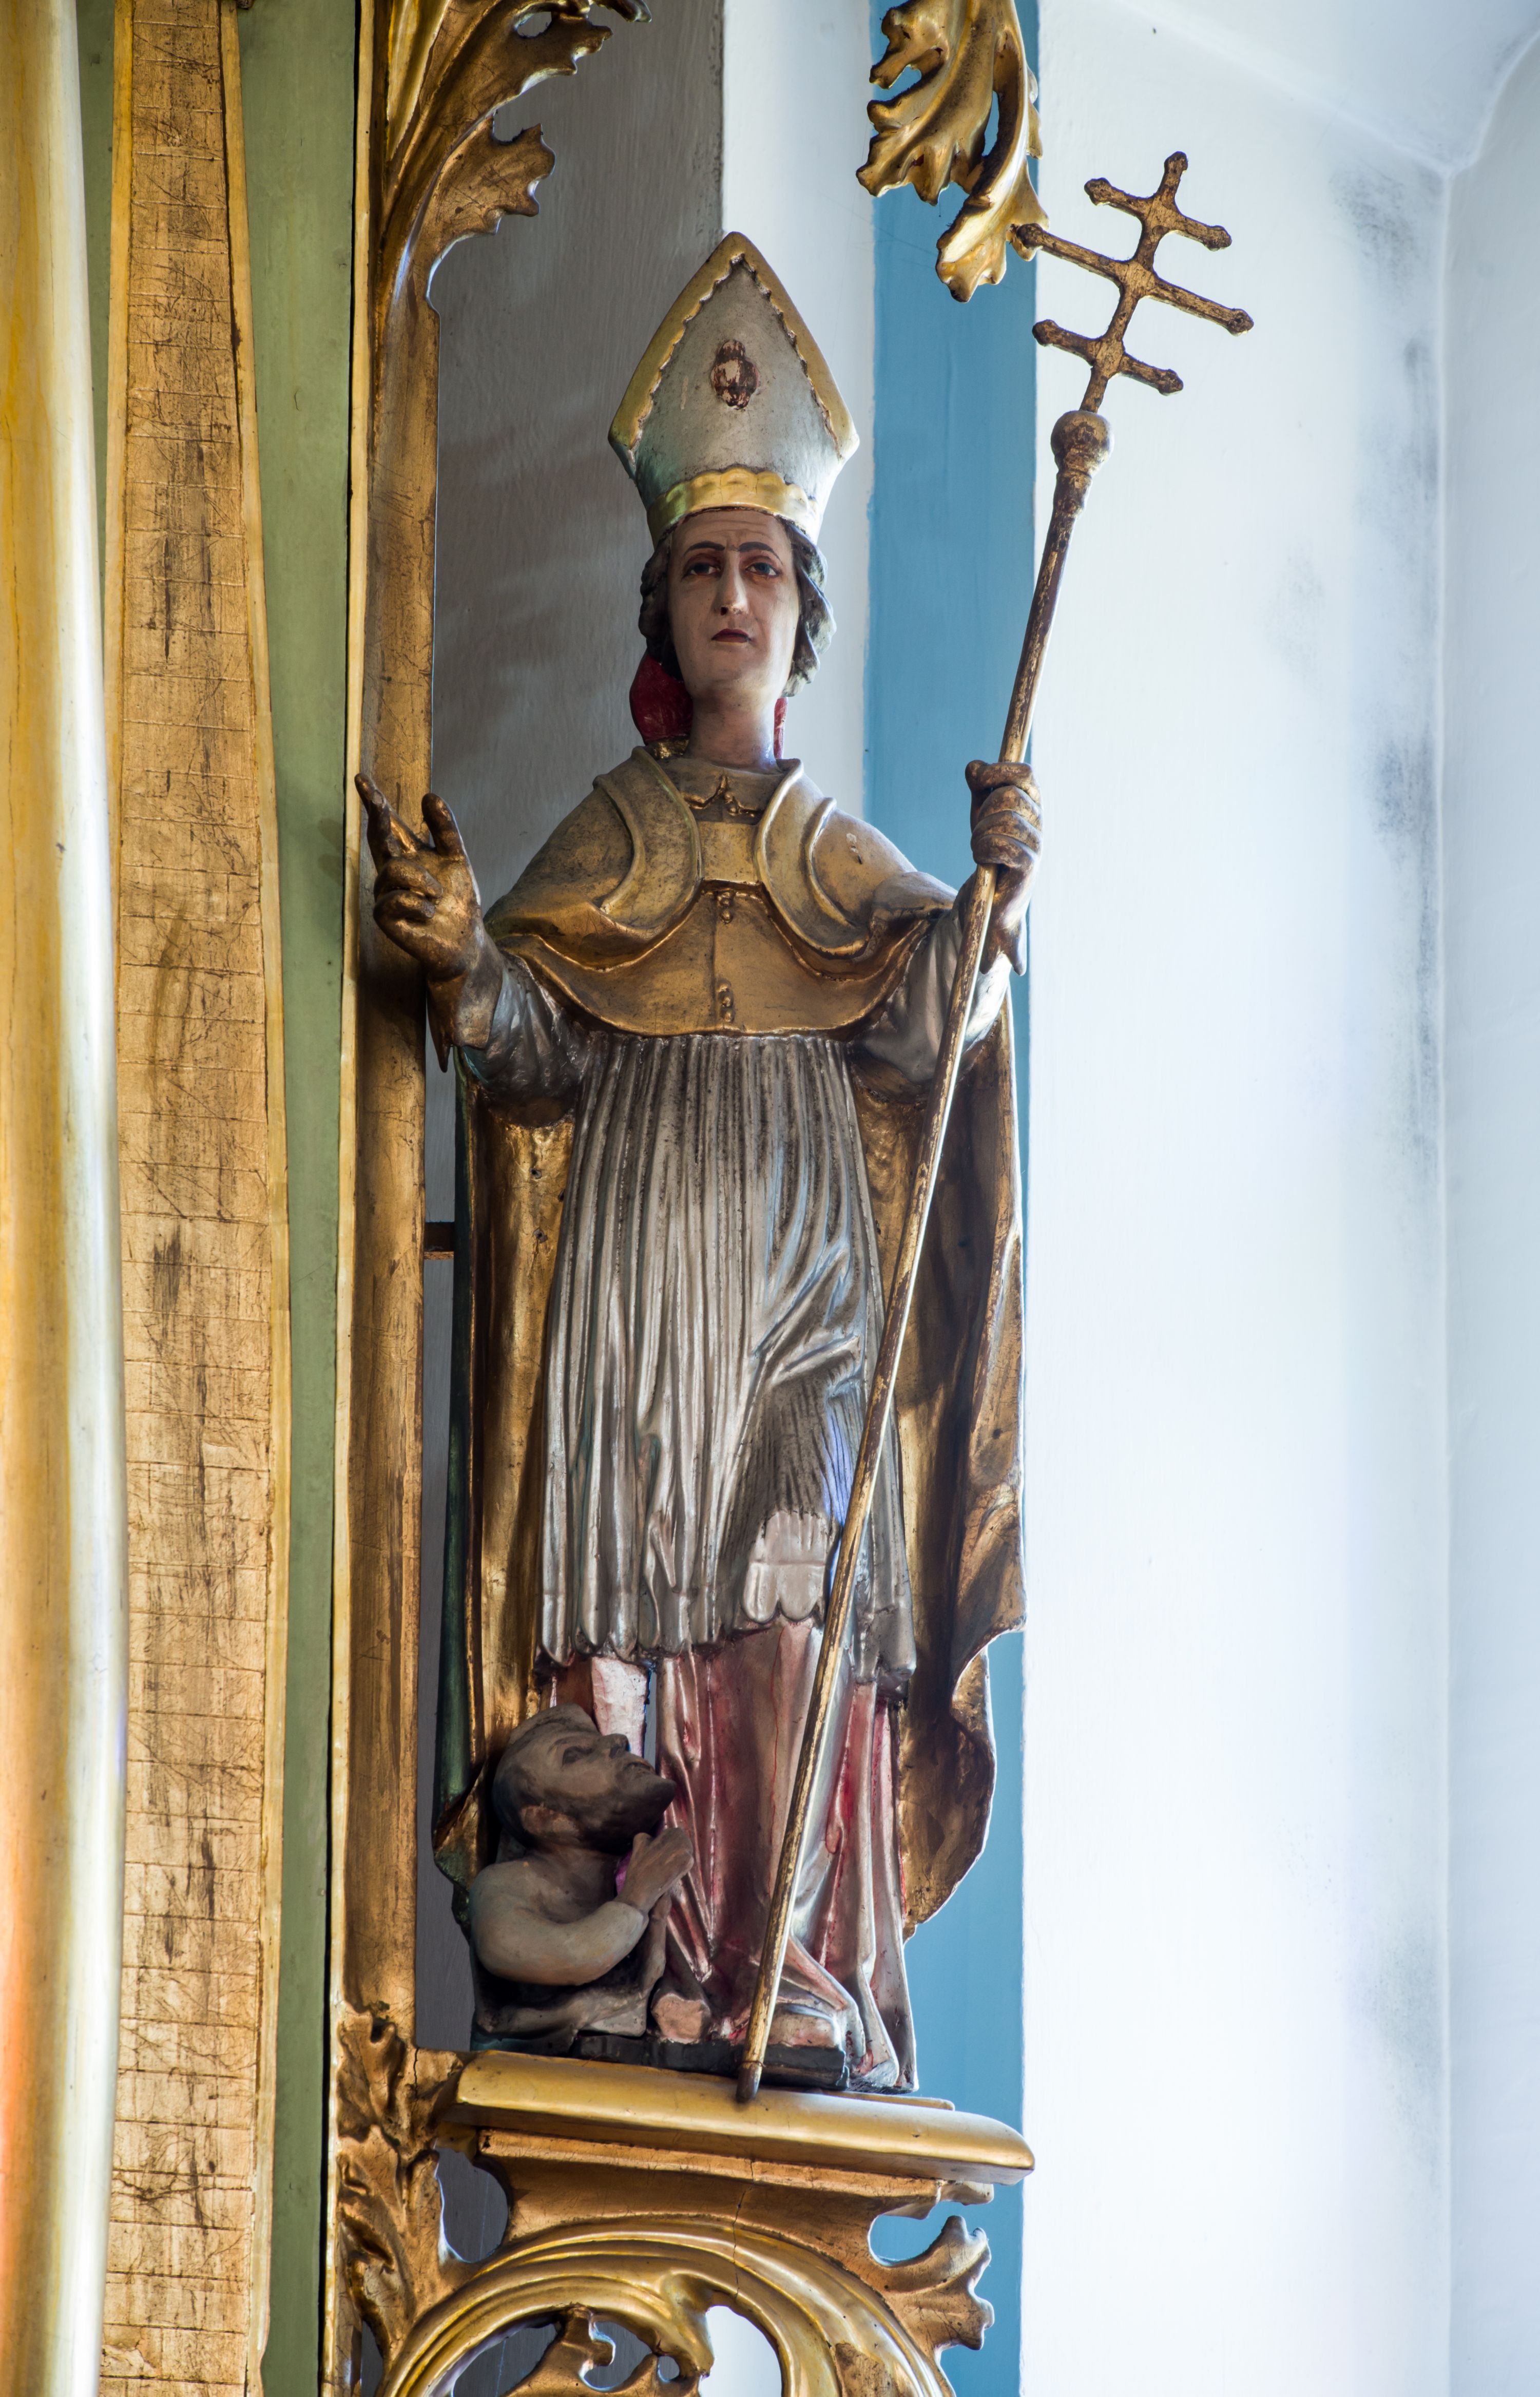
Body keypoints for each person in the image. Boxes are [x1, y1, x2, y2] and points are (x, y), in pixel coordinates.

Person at [363, 234, 1036, 2091]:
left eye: (761, 567)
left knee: (799, 1587)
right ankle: (645, 1965)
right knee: (638, 1604)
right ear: (658, 613)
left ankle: (793, 1958)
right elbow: (529, 1052)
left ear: (798, 613)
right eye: (700, 567)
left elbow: (926, 1043)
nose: (732, 592)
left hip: (808, 1276)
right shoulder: (607, 839)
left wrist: (987, 909)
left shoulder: (849, 865)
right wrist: (463, 956)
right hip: (634, 1290)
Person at [467, 1704, 692, 2050]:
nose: (618, 1740)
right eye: (574, 1755)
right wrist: (636, 1900)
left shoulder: (647, 1871)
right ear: (546, 1818)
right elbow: (567, 1955)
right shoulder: (506, 1885)